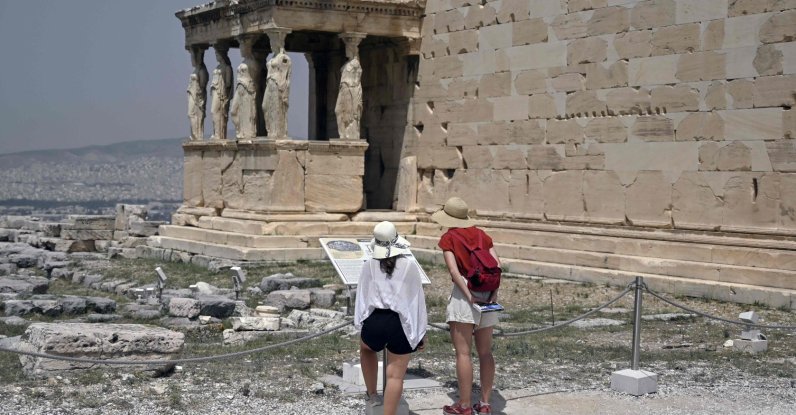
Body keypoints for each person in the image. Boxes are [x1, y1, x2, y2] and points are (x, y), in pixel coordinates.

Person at [432, 197, 500, 415]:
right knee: (486, 352)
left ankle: (463, 405)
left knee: (463, 353)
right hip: (489, 297)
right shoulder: (482, 235)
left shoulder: (449, 238)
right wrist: (493, 294)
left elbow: (454, 271)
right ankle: (486, 403)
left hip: (464, 298)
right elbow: (497, 266)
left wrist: (469, 296)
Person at [354, 221, 428, 415]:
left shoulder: (369, 264)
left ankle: (372, 394)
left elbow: (363, 294)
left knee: (366, 349)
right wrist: (420, 332)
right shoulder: (409, 266)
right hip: (399, 323)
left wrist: (361, 320)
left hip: (376, 319)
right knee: (395, 376)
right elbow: (416, 301)